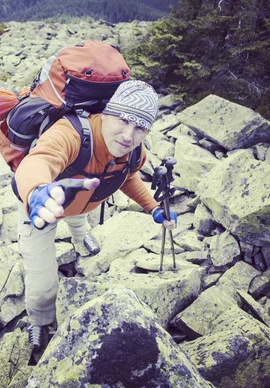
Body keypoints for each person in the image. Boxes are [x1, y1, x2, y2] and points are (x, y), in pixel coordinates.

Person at [12, 80, 177, 349]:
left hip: (81, 201)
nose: (128, 135)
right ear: (107, 113)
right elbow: (38, 161)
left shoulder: (135, 152)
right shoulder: (72, 133)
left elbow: (127, 178)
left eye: (140, 127)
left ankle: (80, 239)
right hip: (42, 207)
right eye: (123, 120)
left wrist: (154, 208)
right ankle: (39, 321)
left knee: (79, 219)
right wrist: (38, 190)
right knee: (42, 282)